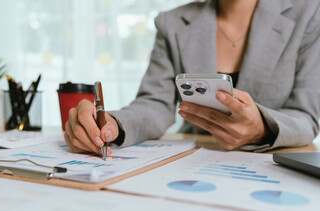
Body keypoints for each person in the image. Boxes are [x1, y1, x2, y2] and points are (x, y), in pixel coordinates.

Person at [64, 0, 320, 155]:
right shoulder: (172, 23)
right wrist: (113, 125)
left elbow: (306, 117)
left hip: (272, 167)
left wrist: (261, 129)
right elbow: (155, 104)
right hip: (195, 160)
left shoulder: (309, 13)